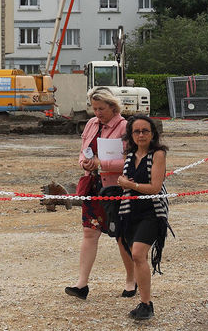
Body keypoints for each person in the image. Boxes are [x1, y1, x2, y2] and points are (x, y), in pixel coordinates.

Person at [65, 88, 136, 300]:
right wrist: (83, 163)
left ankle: (131, 280)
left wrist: (101, 163)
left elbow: (130, 161)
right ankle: (81, 284)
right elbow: (82, 150)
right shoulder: (90, 124)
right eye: (94, 109)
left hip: (116, 188)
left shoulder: (126, 127)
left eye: (101, 109)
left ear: (113, 107)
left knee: (121, 235)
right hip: (93, 186)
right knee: (89, 232)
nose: (97, 113)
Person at [116, 115, 170, 321]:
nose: (140, 135)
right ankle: (144, 302)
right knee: (137, 256)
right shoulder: (129, 155)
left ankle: (147, 303)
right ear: (130, 134)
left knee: (138, 254)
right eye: (136, 131)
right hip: (130, 211)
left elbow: (155, 189)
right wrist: (124, 183)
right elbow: (127, 182)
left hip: (152, 211)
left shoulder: (158, 155)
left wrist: (131, 186)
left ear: (153, 134)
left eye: (145, 131)